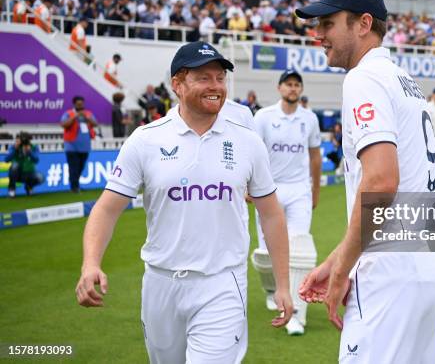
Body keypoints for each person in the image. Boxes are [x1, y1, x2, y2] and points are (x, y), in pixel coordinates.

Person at [75, 41, 293, 363]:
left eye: (220, 78)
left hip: (223, 282)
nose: (216, 87)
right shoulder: (146, 140)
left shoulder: (247, 142)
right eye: (204, 78)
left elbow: (272, 215)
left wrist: (282, 285)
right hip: (161, 283)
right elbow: (107, 209)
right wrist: (90, 263)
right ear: (177, 84)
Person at [295, 0, 435, 363]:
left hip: (393, 268)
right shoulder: (404, 80)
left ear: (363, 24)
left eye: (328, 23)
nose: (318, 34)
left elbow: (382, 182)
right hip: (434, 256)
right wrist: (338, 257)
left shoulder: (364, 78)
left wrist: (342, 271)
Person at [252, 69, 322, 336]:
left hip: (299, 190)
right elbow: (254, 155)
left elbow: (315, 157)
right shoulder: (264, 117)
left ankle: (293, 312)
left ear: (300, 90)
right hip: (269, 190)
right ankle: (272, 289)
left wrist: (315, 190)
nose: (293, 89)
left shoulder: (310, 119)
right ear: (280, 88)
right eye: (288, 84)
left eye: (297, 85)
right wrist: (250, 186)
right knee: (267, 252)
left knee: (299, 247)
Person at [61, 96, 97, 193]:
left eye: (82, 104)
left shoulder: (88, 114)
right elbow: (64, 124)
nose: (80, 106)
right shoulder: (68, 114)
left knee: (81, 166)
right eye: (78, 104)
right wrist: (75, 116)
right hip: (71, 145)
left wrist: (87, 118)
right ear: (74, 104)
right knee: (74, 167)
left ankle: (76, 184)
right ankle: (74, 187)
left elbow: (95, 124)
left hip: (85, 146)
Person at [4, 132, 43, 197]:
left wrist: (29, 152)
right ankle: (12, 189)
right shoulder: (14, 147)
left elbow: (36, 160)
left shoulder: (34, 147)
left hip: (29, 173)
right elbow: (6, 160)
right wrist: (15, 149)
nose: (24, 143)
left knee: (40, 177)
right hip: (17, 174)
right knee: (14, 166)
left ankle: (29, 187)